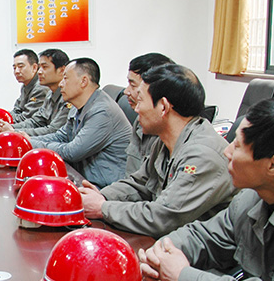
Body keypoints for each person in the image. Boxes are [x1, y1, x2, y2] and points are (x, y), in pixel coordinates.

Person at [139, 98, 274, 281]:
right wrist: (163, 252)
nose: (227, 152)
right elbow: (203, 236)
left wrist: (183, 278)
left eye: (238, 145)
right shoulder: (251, 198)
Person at [79, 63, 235, 237]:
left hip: (193, 248)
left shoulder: (202, 155)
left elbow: (164, 217)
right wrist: (100, 196)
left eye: (140, 101)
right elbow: (139, 184)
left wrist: (103, 208)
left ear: (163, 107)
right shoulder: (165, 140)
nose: (136, 109)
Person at [28, 58, 131, 188]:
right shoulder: (77, 106)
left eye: (65, 78)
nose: (61, 84)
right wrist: (29, 140)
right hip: (82, 177)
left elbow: (72, 152)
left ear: (83, 81)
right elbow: (62, 136)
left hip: (103, 188)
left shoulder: (102, 112)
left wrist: (31, 143)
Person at [0, 48, 71, 137]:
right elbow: (36, 121)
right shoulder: (50, 94)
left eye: (44, 67)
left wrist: (14, 131)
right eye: (40, 67)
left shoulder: (69, 96)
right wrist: (9, 127)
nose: (39, 72)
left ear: (62, 70)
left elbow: (53, 130)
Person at [124, 53, 174, 174]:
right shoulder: (140, 120)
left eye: (133, 85)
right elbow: (135, 178)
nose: (126, 91)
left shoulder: (171, 136)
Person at [10, 48, 49, 123]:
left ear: (34, 67)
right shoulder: (25, 85)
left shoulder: (41, 88)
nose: (16, 71)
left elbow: (26, 117)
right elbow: (17, 110)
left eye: (20, 66)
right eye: (14, 68)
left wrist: (2, 119)